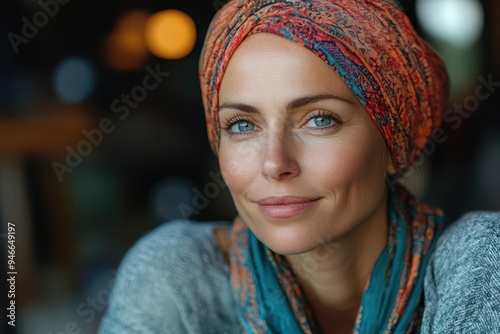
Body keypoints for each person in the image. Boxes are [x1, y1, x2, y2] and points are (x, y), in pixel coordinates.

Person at [99, 0, 500, 333]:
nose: (275, 163)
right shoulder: (176, 278)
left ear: (393, 143)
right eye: (242, 125)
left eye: (320, 119)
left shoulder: (480, 263)